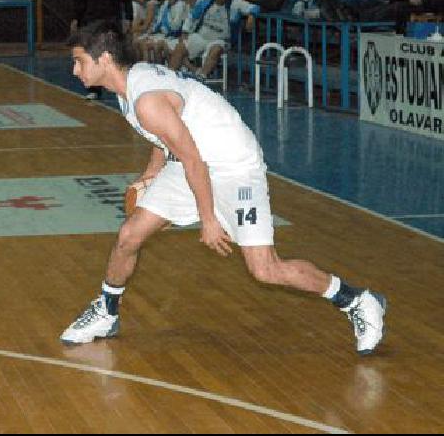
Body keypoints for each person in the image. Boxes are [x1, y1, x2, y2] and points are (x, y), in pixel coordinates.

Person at [60, 21, 387, 356]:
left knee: (265, 269)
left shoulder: (146, 100)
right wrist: (149, 177)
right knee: (129, 236)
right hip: (193, 162)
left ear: (104, 60)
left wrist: (209, 219)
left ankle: (356, 300)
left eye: (79, 61)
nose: (74, 69)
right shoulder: (130, 85)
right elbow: (164, 138)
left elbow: (192, 160)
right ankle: (106, 312)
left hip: (233, 167)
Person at [170, 0, 258, 77]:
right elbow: (192, 16)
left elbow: (255, 8)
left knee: (216, 50)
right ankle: (171, 76)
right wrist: (185, 31)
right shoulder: (206, 1)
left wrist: (251, 16)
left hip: (220, 40)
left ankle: (202, 77)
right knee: (180, 46)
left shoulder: (236, 3)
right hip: (201, 37)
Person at [71, 0, 124, 100]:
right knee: (92, 55)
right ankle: (94, 89)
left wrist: (128, 19)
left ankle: (118, 87)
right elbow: (79, 1)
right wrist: (75, 19)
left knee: (111, 55)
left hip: (110, 22)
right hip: (90, 23)